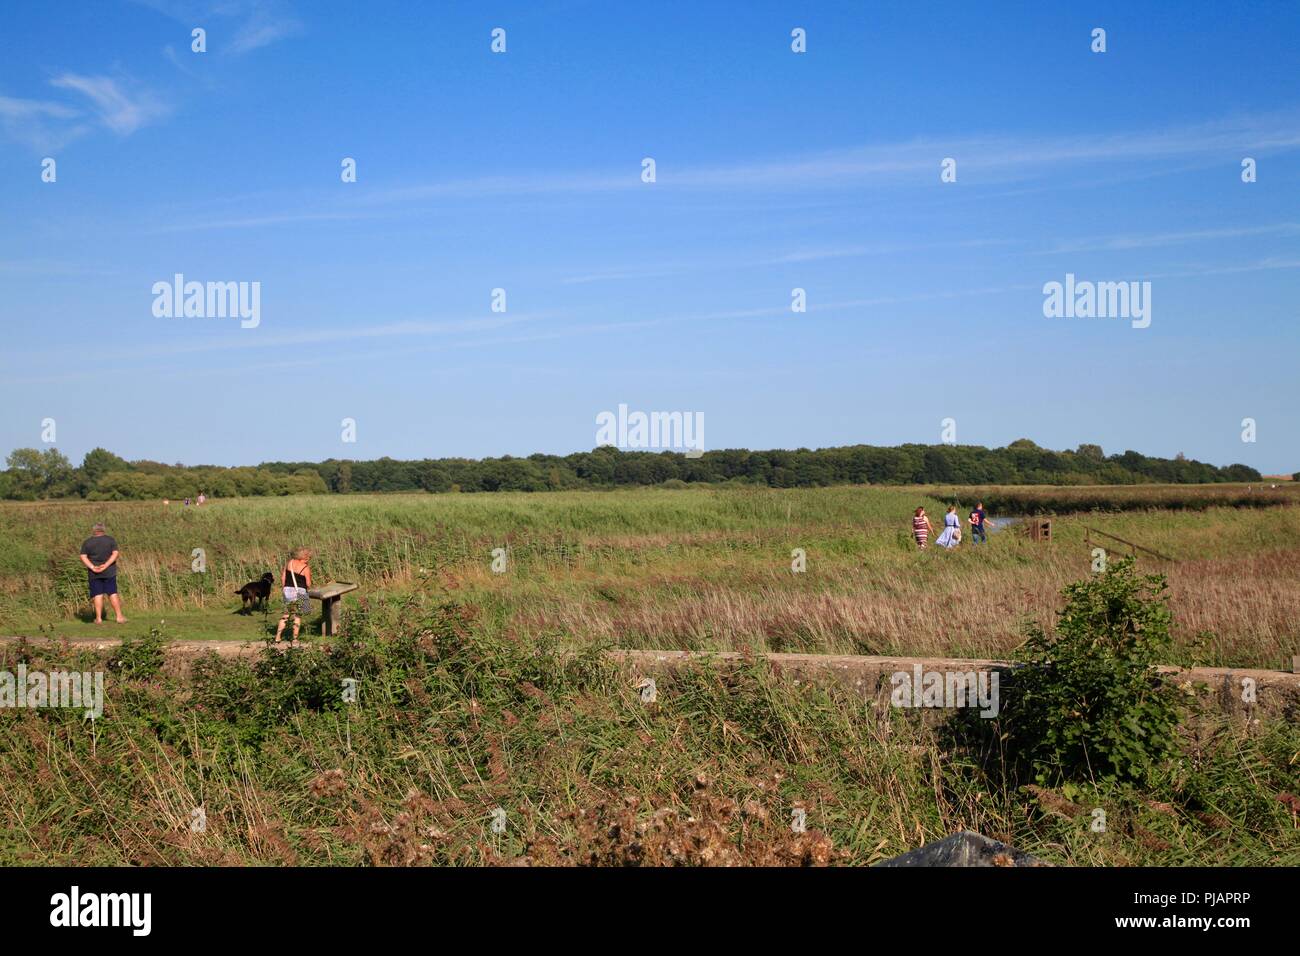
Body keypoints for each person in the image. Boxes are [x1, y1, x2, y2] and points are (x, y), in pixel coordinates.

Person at [79, 523, 126, 624]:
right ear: (103, 530)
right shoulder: (110, 540)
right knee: (112, 593)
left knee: (98, 594)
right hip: (109, 571)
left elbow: (83, 556)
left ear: (94, 530)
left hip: (94, 572)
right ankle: (119, 617)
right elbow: (115, 553)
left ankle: (99, 618)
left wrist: (92, 567)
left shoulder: (87, 542)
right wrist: (106, 565)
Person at [274, 547, 313, 643]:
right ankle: (295, 639)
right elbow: (308, 583)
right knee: (297, 616)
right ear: (306, 557)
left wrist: (285, 589)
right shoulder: (305, 568)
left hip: (287, 590)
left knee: (286, 615)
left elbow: (283, 578)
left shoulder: (289, 563)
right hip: (300, 591)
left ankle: (277, 637)